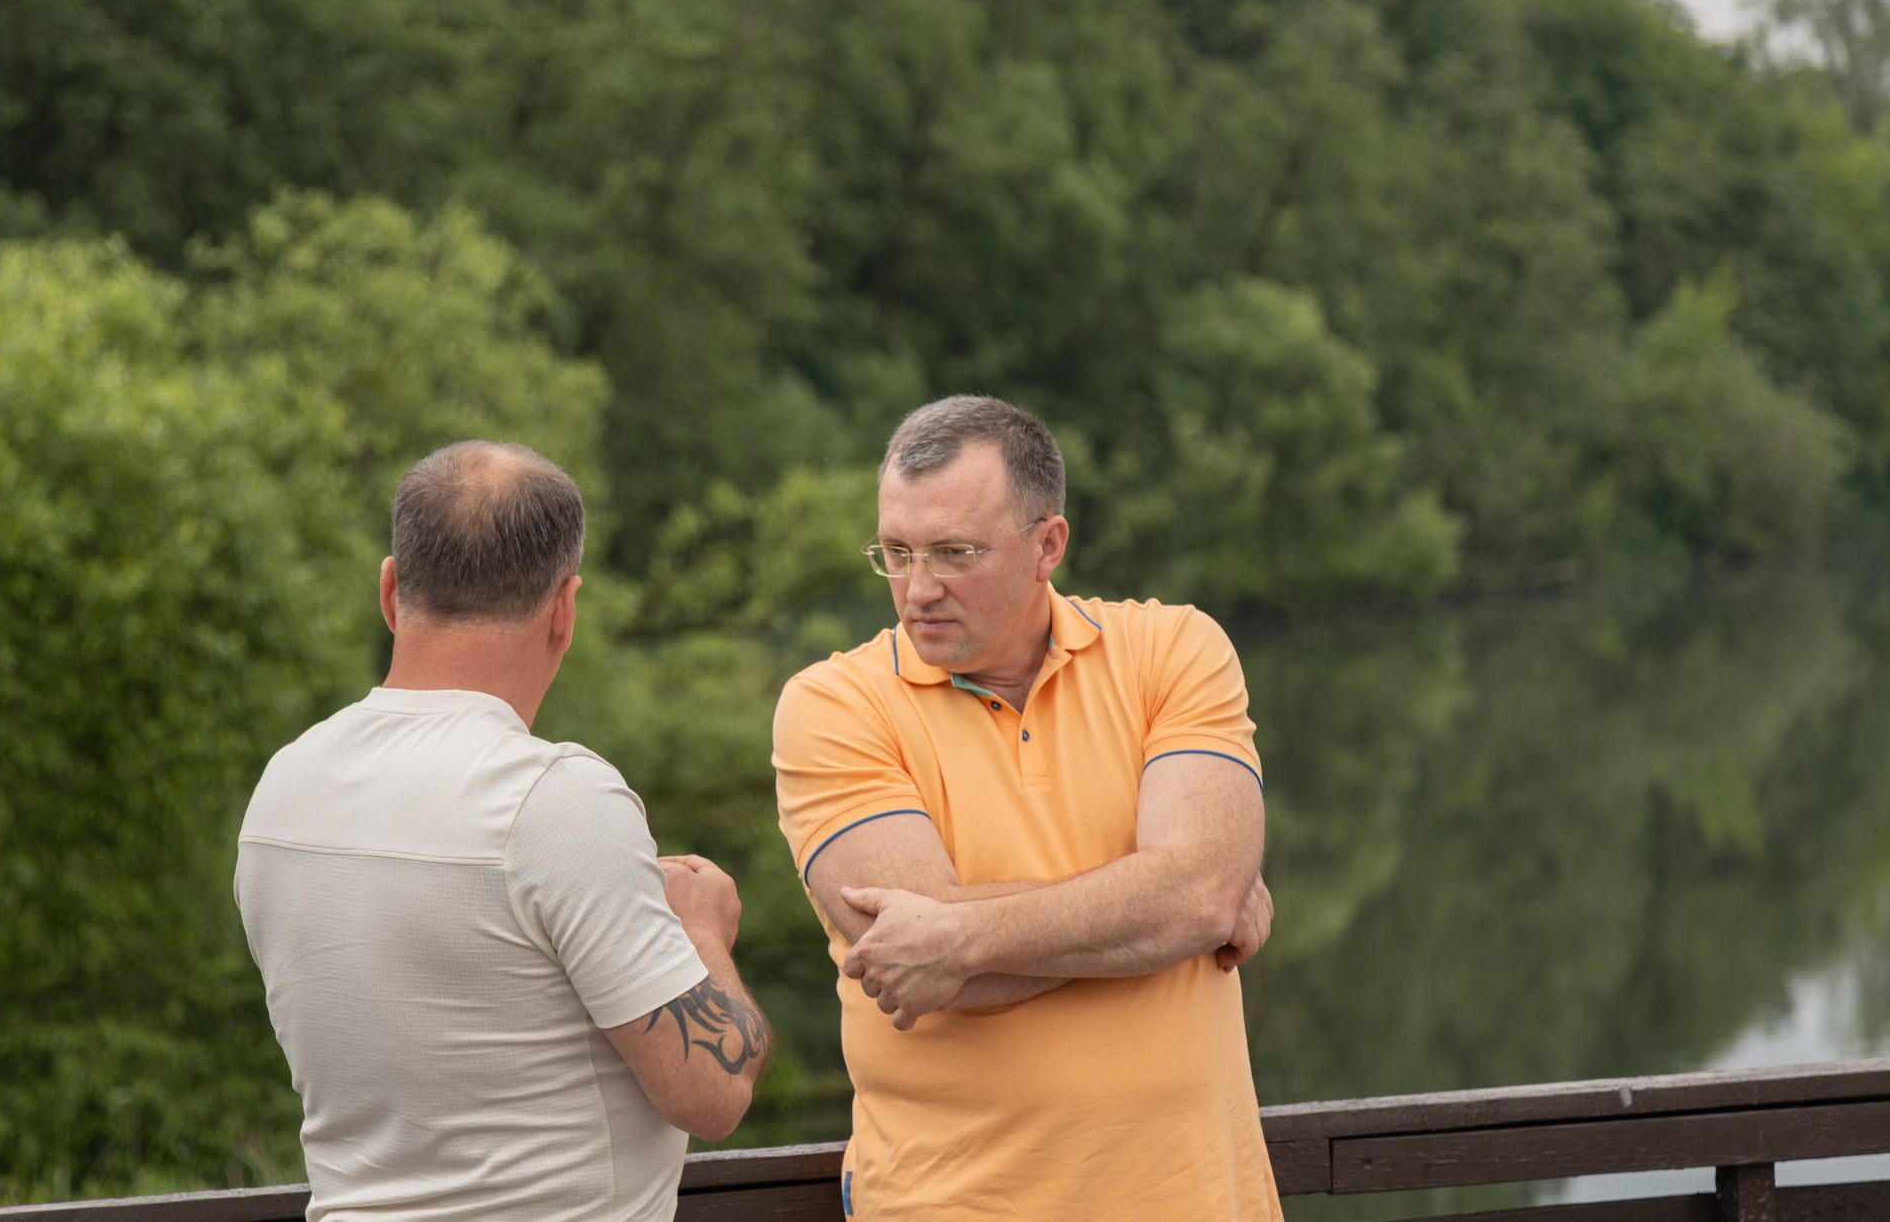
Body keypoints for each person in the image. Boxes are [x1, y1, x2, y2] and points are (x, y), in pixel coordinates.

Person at [238, 440, 772, 1222]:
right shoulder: (553, 798)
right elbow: (713, 1093)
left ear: (390, 590)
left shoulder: (283, 786)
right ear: (565, 608)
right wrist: (702, 932)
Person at [773, 396, 1280, 1220]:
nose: (917, 588)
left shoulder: (1173, 648)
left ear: (1048, 544)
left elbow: (1198, 892)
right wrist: (1169, 900)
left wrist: (962, 933)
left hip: (1194, 1198)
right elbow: (912, 961)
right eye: (895, 552)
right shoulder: (832, 706)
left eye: (954, 552)